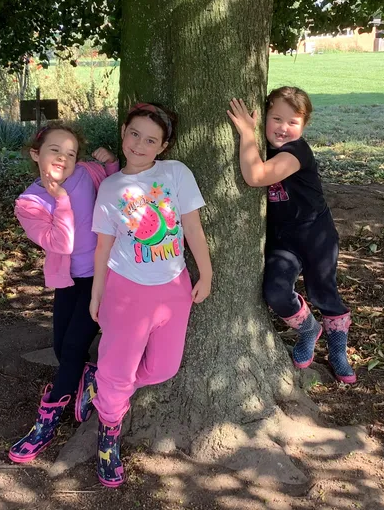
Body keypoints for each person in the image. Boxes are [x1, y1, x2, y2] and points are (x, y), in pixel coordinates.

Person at [88, 102, 213, 487]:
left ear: (163, 146)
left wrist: (205, 274)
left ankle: (105, 385)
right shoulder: (111, 188)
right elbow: (103, 248)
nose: (140, 144)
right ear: (123, 132)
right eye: (135, 134)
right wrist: (96, 295)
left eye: (151, 140)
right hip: (126, 291)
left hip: (173, 288)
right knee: (119, 370)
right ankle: (109, 431)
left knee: (163, 368)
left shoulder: (176, 174)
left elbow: (192, 228)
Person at [227, 87, 355, 385]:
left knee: (324, 292)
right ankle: (309, 329)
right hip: (282, 240)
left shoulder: (297, 151)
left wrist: (246, 132)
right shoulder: (265, 148)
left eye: (292, 122)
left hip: (315, 235)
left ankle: (338, 351)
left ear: (304, 126)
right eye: (276, 118)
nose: (283, 128)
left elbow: (255, 176)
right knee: (275, 291)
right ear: (265, 118)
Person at [8, 123, 119, 463]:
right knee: (60, 347)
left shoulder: (87, 174)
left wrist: (111, 163)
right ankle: (86, 375)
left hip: (102, 276)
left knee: (71, 348)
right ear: (36, 154)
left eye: (71, 153)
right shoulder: (29, 202)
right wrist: (60, 199)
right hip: (69, 280)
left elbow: (117, 186)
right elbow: (61, 242)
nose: (63, 158)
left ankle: (47, 421)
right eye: (55, 150)